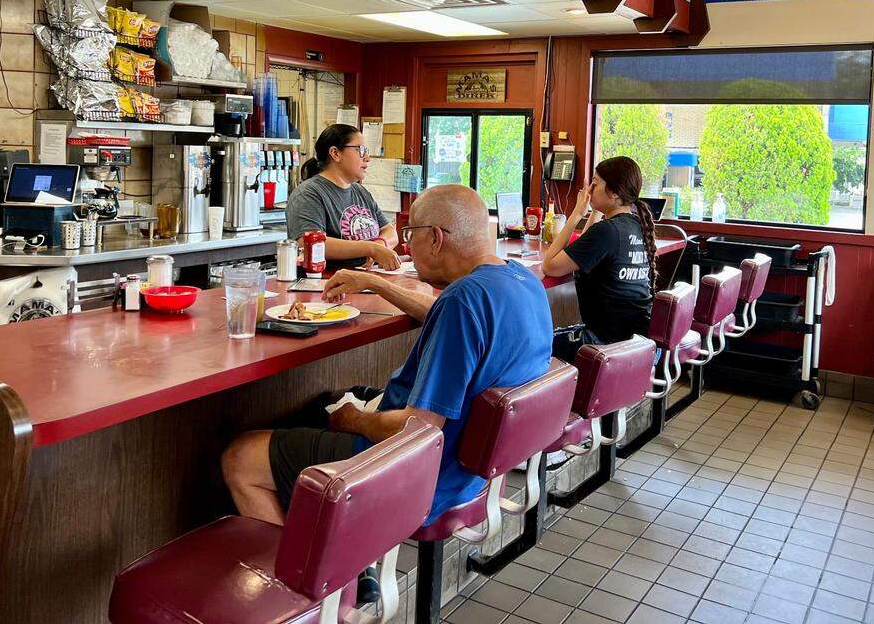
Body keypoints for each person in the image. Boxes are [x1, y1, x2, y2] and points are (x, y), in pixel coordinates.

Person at [222, 184, 553, 529]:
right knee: (325, 403)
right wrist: (376, 283)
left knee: (241, 457)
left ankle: (308, 576)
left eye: (411, 234)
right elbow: (446, 313)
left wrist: (354, 421)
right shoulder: (520, 279)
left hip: (424, 473)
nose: (407, 244)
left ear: (436, 239)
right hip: (472, 469)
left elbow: (416, 428)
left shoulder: (463, 300)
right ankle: (352, 561)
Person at [541, 156, 659, 361]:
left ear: (613, 193)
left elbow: (549, 266)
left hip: (607, 345)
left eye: (595, 184)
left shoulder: (607, 232)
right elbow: (586, 246)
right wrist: (594, 211)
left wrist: (576, 215)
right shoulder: (635, 225)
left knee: (535, 344)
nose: (588, 190)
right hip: (637, 343)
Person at [285, 123, 401, 271]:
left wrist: (379, 245)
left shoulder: (361, 192)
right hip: (328, 286)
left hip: (367, 282)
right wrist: (370, 249)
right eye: (360, 150)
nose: (367, 157)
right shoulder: (308, 194)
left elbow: (390, 231)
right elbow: (311, 244)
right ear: (335, 153)